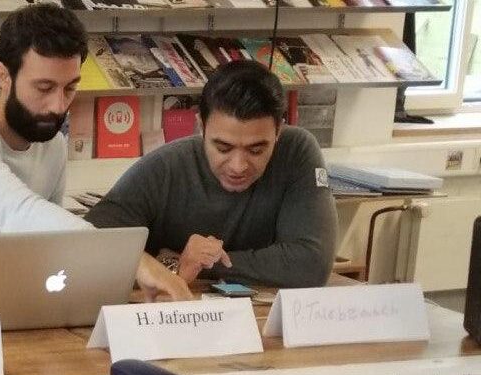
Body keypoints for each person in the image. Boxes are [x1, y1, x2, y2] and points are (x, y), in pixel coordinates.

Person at [0, 4, 190, 301]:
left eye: (70, 88)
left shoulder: (53, 145)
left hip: (1, 302)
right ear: (3, 76)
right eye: (44, 88)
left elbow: (46, 246)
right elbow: (14, 211)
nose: (58, 106)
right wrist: (130, 258)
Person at [84, 60, 338, 288]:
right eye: (223, 148)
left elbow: (311, 264)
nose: (238, 166)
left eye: (256, 150)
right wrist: (170, 268)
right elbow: (88, 246)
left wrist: (199, 263)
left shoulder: (297, 151)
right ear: (201, 126)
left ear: (278, 131)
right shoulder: (163, 168)